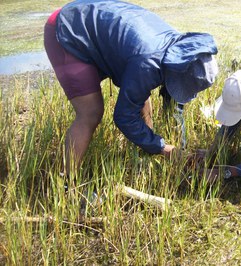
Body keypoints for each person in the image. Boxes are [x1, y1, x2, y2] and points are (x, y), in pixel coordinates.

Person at [43, 0, 219, 182]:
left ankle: (146, 151)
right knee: (90, 112)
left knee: (140, 94)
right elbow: (124, 117)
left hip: (95, 19)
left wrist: (179, 150)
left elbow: (174, 105)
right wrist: (163, 148)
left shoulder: (181, 54)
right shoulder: (148, 63)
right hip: (68, 30)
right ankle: (65, 182)